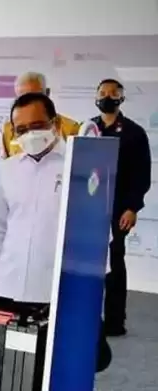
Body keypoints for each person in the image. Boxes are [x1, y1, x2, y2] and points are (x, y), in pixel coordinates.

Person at [0, 92, 111, 371]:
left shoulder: (81, 166)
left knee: (61, 366)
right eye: (21, 129)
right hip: (10, 284)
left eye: (37, 125)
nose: (30, 134)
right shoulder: (8, 170)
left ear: (56, 123)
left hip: (59, 287)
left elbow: (99, 232)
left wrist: (92, 288)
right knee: (9, 367)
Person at [91, 78, 152, 336]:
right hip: (88, 208)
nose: (107, 97)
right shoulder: (88, 129)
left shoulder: (134, 133)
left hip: (118, 209)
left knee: (114, 263)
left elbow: (142, 175)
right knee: (86, 264)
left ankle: (115, 321)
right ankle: (87, 317)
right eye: (102, 92)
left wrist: (132, 208)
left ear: (121, 98)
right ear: (96, 97)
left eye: (113, 93)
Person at [0, 72, 80, 159]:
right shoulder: (9, 130)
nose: (30, 105)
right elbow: (6, 163)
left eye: (36, 97)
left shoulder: (71, 129)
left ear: (47, 93)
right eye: (23, 99)